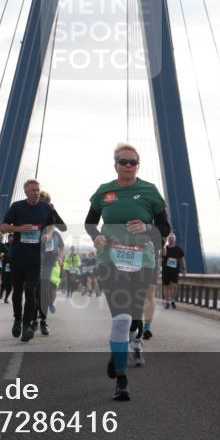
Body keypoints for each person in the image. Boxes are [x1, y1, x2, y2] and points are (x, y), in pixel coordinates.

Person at [84, 143, 170, 401]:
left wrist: (147, 227)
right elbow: (90, 223)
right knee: (121, 319)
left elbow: (164, 228)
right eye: (124, 161)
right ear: (116, 165)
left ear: (138, 166)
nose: (128, 166)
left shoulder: (150, 192)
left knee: (134, 318)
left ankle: (119, 350)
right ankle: (122, 379)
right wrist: (96, 237)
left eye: (133, 162)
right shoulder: (104, 192)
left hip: (142, 262)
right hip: (110, 261)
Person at [0, 179, 62, 342]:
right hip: (18, 256)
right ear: (26, 192)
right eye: (33, 190)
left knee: (31, 290)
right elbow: (4, 227)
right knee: (17, 291)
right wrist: (19, 229)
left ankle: (27, 325)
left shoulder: (45, 208)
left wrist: (47, 235)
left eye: (37, 190)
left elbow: (51, 226)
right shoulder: (17, 207)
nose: (36, 193)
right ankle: (17, 320)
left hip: (36, 257)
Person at [37, 191, 65, 334]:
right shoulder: (32, 216)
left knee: (45, 289)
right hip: (33, 258)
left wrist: (53, 211)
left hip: (49, 261)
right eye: (41, 203)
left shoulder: (54, 228)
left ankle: (43, 320)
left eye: (47, 203)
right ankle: (31, 319)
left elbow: (63, 227)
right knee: (33, 290)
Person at [161, 233, 185, 310]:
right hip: (166, 270)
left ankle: (173, 300)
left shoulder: (178, 249)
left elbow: (182, 259)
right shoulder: (165, 248)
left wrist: (184, 269)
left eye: (172, 238)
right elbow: (162, 256)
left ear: (175, 239)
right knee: (166, 286)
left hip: (175, 271)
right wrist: (164, 246)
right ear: (168, 239)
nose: (171, 239)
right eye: (170, 238)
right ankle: (167, 302)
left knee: (175, 286)